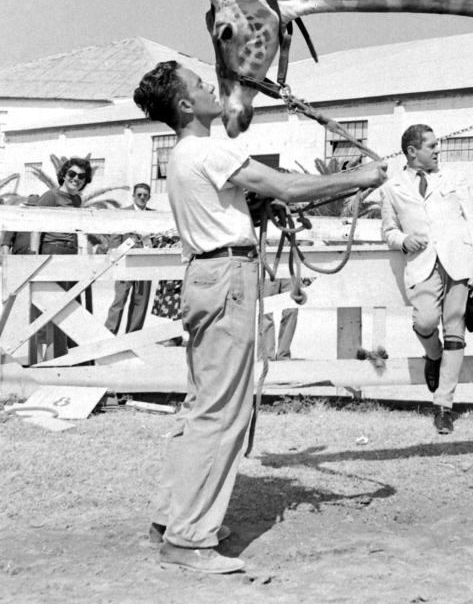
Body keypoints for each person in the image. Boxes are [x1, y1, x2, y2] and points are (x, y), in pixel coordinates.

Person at [132, 60, 386, 575]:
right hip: (227, 278)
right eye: (201, 86)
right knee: (222, 411)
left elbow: (244, 200)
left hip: (206, 276)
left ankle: (173, 517)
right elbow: (288, 188)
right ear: (185, 105)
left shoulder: (184, 156)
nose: (210, 88)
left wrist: (252, 210)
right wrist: (362, 176)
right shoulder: (212, 147)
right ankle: (189, 538)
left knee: (202, 402)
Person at [380, 123, 473, 435]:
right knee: (425, 322)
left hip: (458, 261)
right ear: (413, 151)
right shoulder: (393, 187)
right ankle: (433, 354)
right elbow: (387, 230)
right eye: (431, 146)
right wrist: (402, 240)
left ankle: (444, 405)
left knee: (455, 327)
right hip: (422, 264)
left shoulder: (453, 178)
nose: (438, 150)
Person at [29, 158, 93, 361]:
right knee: (46, 303)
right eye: (72, 174)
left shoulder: (77, 201)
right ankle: (41, 356)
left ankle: (61, 354)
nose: (76, 179)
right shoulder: (51, 196)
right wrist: (35, 258)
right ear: (64, 175)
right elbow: (35, 227)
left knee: (69, 304)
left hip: (71, 253)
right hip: (52, 251)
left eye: (81, 176)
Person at [104, 183, 156, 335]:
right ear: (133, 196)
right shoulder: (123, 213)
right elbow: (115, 236)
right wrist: (115, 257)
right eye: (139, 194)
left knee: (141, 300)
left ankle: (132, 336)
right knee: (119, 299)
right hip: (125, 261)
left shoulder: (154, 215)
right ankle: (109, 333)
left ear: (149, 197)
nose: (142, 197)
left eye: (145, 195)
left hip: (145, 263)